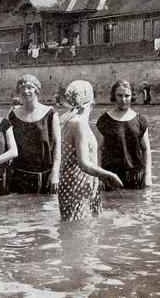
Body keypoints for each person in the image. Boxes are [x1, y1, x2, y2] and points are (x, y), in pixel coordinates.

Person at [58, 80, 123, 221]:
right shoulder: (78, 123)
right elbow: (83, 163)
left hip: (75, 183)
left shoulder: (67, 120)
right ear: (91, 103)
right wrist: (108, 175)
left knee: (80, 228)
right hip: (78, 185)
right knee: (82, 229)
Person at [7, 75, 61, 194]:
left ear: (36, 90)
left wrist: (55, 173)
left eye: (30, 87)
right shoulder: (12, 115)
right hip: (19, 176)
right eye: (22, 88)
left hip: (45, 175)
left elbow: (57, 145)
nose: (26, 91)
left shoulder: (50, 114)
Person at [94, 80, 152, 189]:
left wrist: (147, 175)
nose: (123, 99)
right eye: (119, 95)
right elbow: (98, 149)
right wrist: (99, 176)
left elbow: (146, 149)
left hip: (136, 177)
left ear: (132, 96)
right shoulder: (104, 120)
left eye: (127, 96)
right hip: (111, 176)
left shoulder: (140, 120)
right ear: (114, 96)